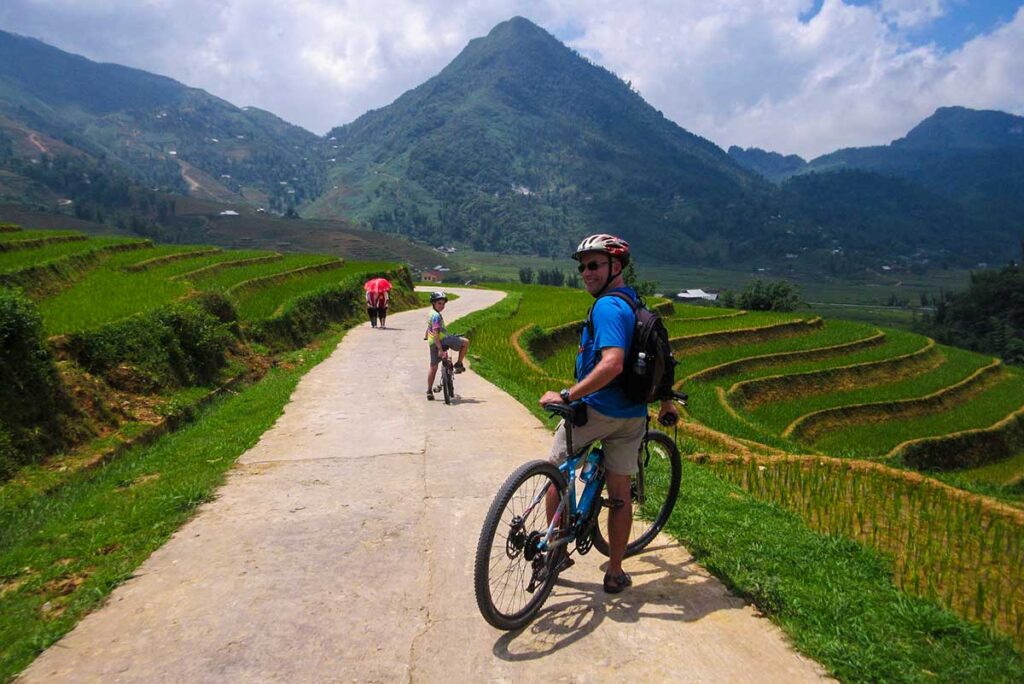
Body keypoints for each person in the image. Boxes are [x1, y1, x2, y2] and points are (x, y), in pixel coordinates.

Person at [539, 234, 678, 593]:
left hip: (597, 410)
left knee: (555, 470)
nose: (586, 272)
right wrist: (665, 401)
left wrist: (567, 394)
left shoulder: (606, 307)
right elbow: (659, 356)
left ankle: (554, 548)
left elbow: (613, 364)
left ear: (616, 266)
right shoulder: (635, 305)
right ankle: (614, 573)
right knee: (619, 496)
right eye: (583, 266)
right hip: (632, 416)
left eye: (595, 265)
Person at [424, 291, 470, 401]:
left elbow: (429, 328)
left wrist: (426, 336)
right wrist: (440, 349)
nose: (442, 306)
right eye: (439, 303)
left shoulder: (431, 313)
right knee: (465, 342)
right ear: (434, 303)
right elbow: (436, 333)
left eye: (443, 304)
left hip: (432, 343)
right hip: (442, 340)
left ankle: (429, 390)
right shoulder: (436, 316)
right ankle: (459, 364)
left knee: (433, 367)